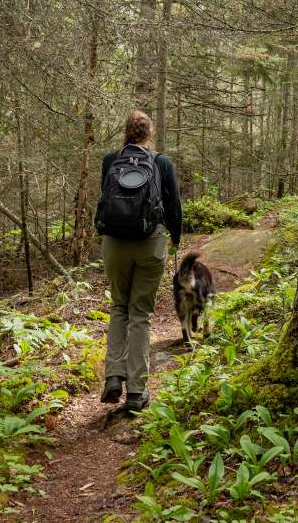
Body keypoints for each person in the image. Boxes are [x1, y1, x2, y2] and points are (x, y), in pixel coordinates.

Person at [97, 110, 182, 412]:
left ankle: (113, 377)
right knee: (140, 314)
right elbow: (174, 206)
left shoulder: (110, 160)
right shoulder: (161, 162)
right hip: (149, 243)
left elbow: (105, 200)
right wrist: (176, 236)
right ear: (150, 133)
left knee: (119, 306)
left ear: (126, 132)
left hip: (115, 244)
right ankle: (136, 391)